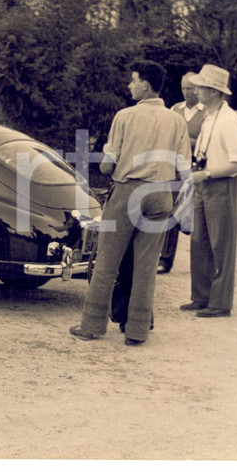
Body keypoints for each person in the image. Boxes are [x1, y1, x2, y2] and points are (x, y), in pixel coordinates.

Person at [70, 60, 191, 346]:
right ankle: (136, 330)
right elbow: (184, 168)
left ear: (145, 85)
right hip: (162, 194)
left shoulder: (124, 116)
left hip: (127, 193)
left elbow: (108, 167)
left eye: (133, 80)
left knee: (106, 263)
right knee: (147, 266)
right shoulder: (176, 120)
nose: (129, 85)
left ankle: (91, 325)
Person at [180, 64, 237, 318]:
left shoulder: (229, 121)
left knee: (221, 243)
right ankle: (201, 296)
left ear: (213, 91)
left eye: (200, 87)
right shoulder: (210, 115)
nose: (196, 90)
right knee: (199, 241)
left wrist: (207, 173)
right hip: (204, 182)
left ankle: (220, 303)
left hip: (221, 184)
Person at [157, 72, 205, 274]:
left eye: (191, 88)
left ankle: (201, 265)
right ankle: (165, 259)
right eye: (184, 88)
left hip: (197, 168)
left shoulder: (206, 113)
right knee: (171, 210)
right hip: (175, 167)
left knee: (194, 214)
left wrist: (185, 140)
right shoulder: (175, 109)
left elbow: (205, 141)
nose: (186, 92)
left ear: (199, 89)